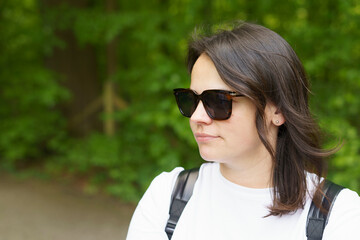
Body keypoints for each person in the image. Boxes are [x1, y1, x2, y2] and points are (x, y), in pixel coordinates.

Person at [126, 22, 360, 240]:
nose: (197, 117)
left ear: (277, 110)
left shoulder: (337, 214)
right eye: (190, 99)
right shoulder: (168, 195)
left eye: (218, 101)